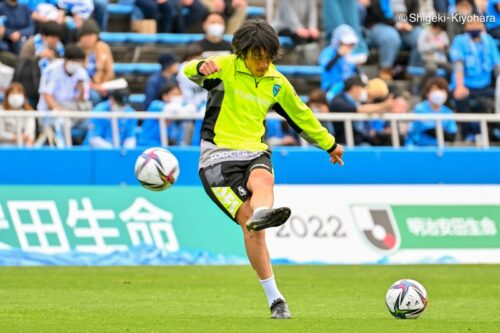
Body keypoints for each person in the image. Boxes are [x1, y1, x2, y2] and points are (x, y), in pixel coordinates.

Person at [183, 19, 344, 319]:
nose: (263, 62)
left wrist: (329, 144)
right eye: (257, 55)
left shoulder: (276, 81)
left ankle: (262, 213)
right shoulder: (225, 67)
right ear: (242, 52)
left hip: (254, 150)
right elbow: (189, 69)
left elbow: (301, 116)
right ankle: (275, 298)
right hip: (216, 159)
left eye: (268, 56)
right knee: (249, 227)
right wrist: (200, 67)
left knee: (264, 179)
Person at [450, 15, 500, 140]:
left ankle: (494, 132)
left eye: (477, 24)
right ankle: (467, 135)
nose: (474, 27)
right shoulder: (459, 41)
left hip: (484, 86)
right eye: (471, 24)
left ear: (482, 26)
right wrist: (460, 86)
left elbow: (497, 65)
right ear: (466, 27)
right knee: (461, 97)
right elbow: (458, 65)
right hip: (465, 85)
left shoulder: (488, 41)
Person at [37, 44, 91, 147]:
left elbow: (82, 101)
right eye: (74, 61)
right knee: (63, 122)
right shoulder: (52, 69)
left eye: (79, 61)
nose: (77, 64)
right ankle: (66, 152)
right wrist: (61, 110)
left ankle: (85, 152)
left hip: (72, 111)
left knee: (91, 121)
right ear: (66, 59)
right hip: (51, 110)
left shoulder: (82, 73)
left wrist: (81, 91)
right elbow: (47, 95)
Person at [363, 0, 422, 81]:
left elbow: (415, 14)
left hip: (405, 27)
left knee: (421, 36)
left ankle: (412, 72)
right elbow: (376, 11)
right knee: (391, 37)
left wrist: (409, 24)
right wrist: (396, 24)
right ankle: (385, 70)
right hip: (380, 24)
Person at [329, 76, 394, 145]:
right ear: (354, 88)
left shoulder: (356, 101)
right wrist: (384, 105)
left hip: (360, 139)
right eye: (362, 88)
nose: (364, 91)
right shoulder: (338, 101)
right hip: (345, 142)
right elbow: (357, 109)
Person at [406, 77, 457, 146]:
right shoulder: (420, 109)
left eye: (441, 90)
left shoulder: (448, 112)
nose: (438, 93)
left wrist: (444, 134)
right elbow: (431, 131)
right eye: (435, 89)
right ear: (427, 93)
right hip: (418, 148)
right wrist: (444, 133)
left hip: (440, 150)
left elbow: (452, 136)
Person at [319, 24, 362, 102]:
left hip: (347, 91)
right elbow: (326, 67)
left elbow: (353, 71)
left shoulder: (350, 55)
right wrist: (338, 55)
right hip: (330, 89)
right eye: (345, 43)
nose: (348, 47)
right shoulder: (328, 52)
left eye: (350, 44)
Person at [77, 19, 114, 106]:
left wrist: (103, 85)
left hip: (103, 84)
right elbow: (77, 77)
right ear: (81, 37)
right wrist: (94, 87)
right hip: (85, 86)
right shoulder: (77, 50)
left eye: (92, 35)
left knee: (119, 94)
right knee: (95, 97)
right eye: (87, 35)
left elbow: (109, 71)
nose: (90, 38)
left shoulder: (103, 47)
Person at [0, 82, 35, 147]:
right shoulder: (1, 110)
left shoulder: (28, 112)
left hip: (22, 147)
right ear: (7, 96)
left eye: (19, 93)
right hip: (4, 147)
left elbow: (30, 134)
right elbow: (1, 133)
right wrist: (17, 137)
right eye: (13, 93)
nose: (16, 96)